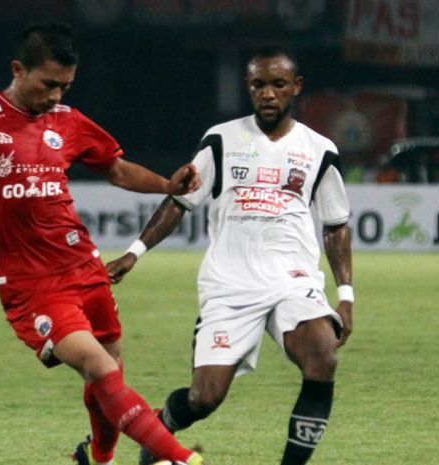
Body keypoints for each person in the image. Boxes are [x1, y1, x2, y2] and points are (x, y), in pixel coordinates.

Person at [0, 22, 207, 465]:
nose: (56, 96)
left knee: (108, 376)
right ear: (18, 69)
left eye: (65, 87)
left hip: (85, 267)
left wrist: (166, 183)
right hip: (31, 283)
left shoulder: (67, 121)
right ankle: (180, 458)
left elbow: (116, 168)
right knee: (101, 370)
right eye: (48, 84)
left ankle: (98, 458)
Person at [107, 46, 353, 465]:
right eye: (259, 84)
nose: (269, 94)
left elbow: (336, 225)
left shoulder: (320, 149)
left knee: (322, 357)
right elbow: (180, 202)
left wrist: (345, 295)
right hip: (230, 285)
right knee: (205, 399)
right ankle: (160, 430)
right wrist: (134, 253)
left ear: (297, 87)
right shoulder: (222, 140)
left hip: (292, 280)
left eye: (278, 84)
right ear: (248, 87)